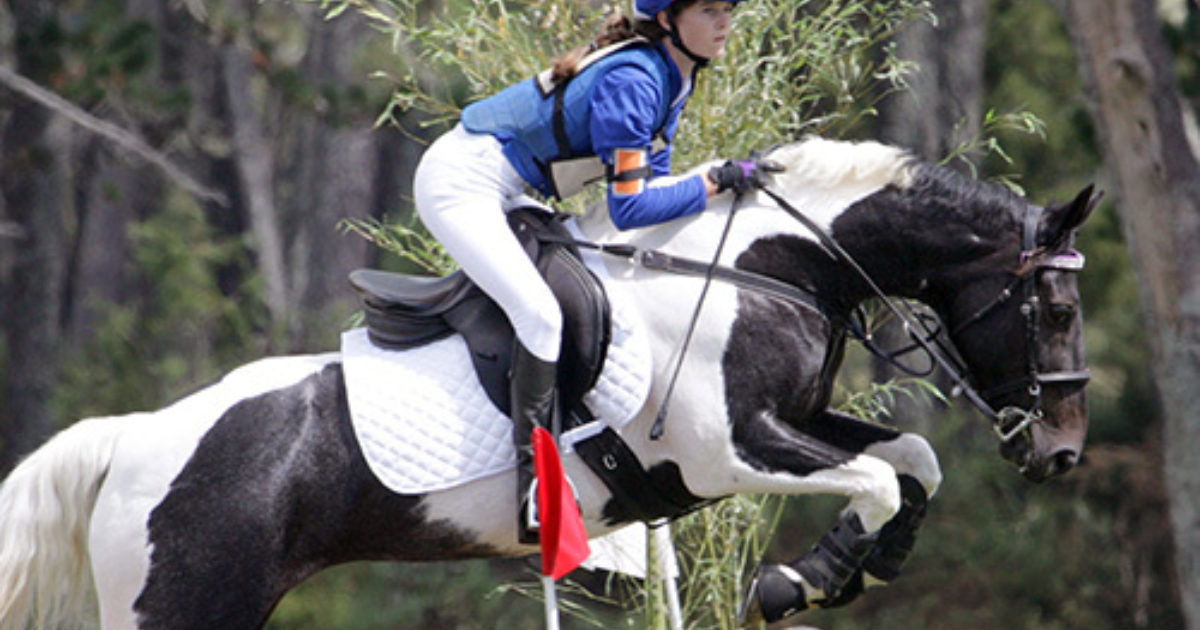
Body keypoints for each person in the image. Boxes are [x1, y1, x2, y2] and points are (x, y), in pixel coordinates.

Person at [413, 0, 764, 544]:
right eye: (710, 10)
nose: (725, 22)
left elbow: (655, 190)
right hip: (460, 184)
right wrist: (716, 181)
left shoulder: (672, 77)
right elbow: (629, 209)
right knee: (540, 315)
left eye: (729, 9)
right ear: (668, 20)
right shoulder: (637, 81)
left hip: (508, 188)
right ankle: (536, 489)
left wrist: (710, 188)